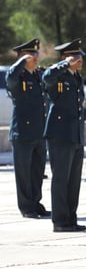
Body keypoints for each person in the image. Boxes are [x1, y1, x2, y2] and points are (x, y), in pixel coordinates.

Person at [42, 38, 86, 232]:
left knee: (74, 180)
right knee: (61, 178)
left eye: (80, 57)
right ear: (64, 58)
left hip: (75, 135)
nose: (79, 60)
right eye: (75, 57)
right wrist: (64, 64)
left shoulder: (77, 78)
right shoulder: (57, 76)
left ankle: (71, 218)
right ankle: (60, 221)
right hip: (59, 135)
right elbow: (46, 76)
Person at [5, 38, 50, 219]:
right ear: (22, 57)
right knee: (24, 173)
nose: (35, 57)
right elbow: (10, 77)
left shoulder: (38, 75)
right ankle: (26, 207)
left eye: (36, 54)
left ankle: (36, 202)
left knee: (38, 171)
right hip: (23, 132)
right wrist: (22, 61)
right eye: (31, 54)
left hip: (40, 131)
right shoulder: (17, 77)